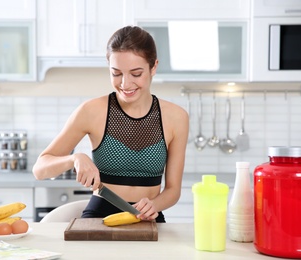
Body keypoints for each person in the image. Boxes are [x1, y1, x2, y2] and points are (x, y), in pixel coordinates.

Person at [32, 26, 189, 223]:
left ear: (153, 67)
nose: (125, 83)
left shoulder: (176, 117)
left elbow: (173, 190)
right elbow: (39, 169)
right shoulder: (91, 111)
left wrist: (155, 205)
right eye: (116, 73)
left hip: (149, 219)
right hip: (98, 216)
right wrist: (75, 159)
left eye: (136, 73)